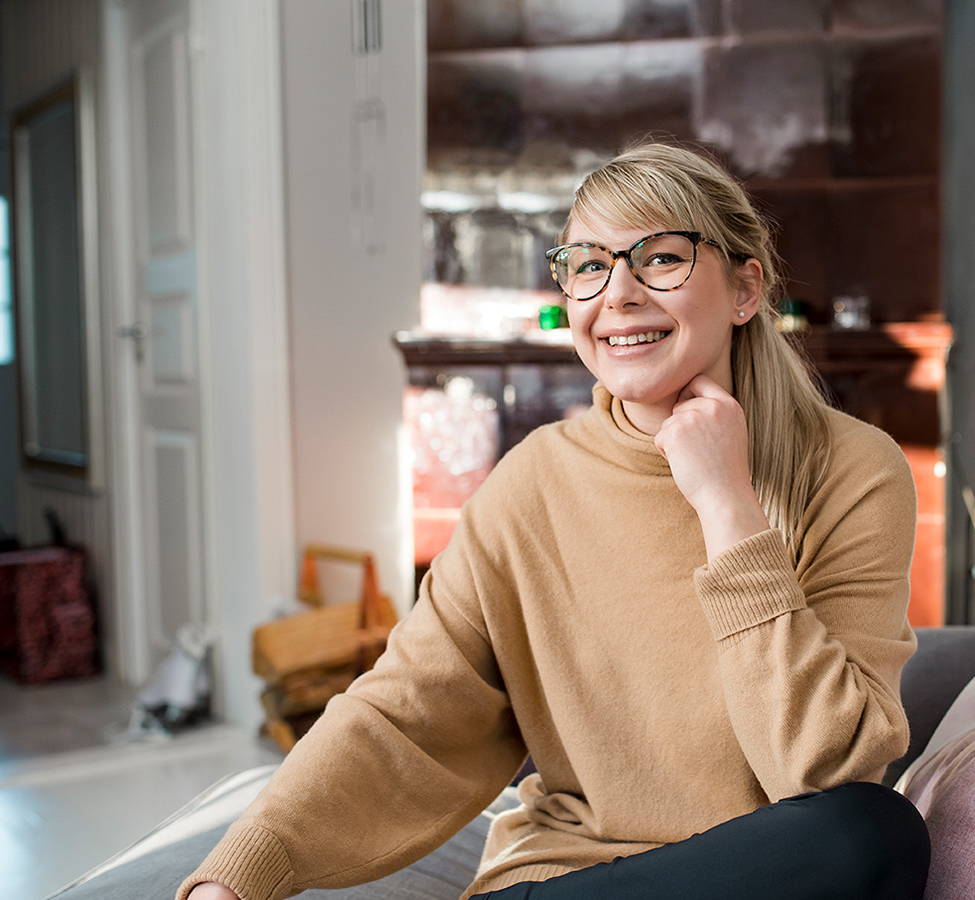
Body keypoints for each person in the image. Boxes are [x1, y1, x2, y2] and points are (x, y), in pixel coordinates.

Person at [181, 142, 929, 900]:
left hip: (764, 878)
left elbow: (829, 773)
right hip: (569, 882)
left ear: (745, 289)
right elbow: (406, 712)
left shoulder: (852, 471)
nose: (620, 295)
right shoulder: (533, 482)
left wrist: (727, 506)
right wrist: (243, 873)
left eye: (661, 258)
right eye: (588, 265)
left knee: (871, 831)